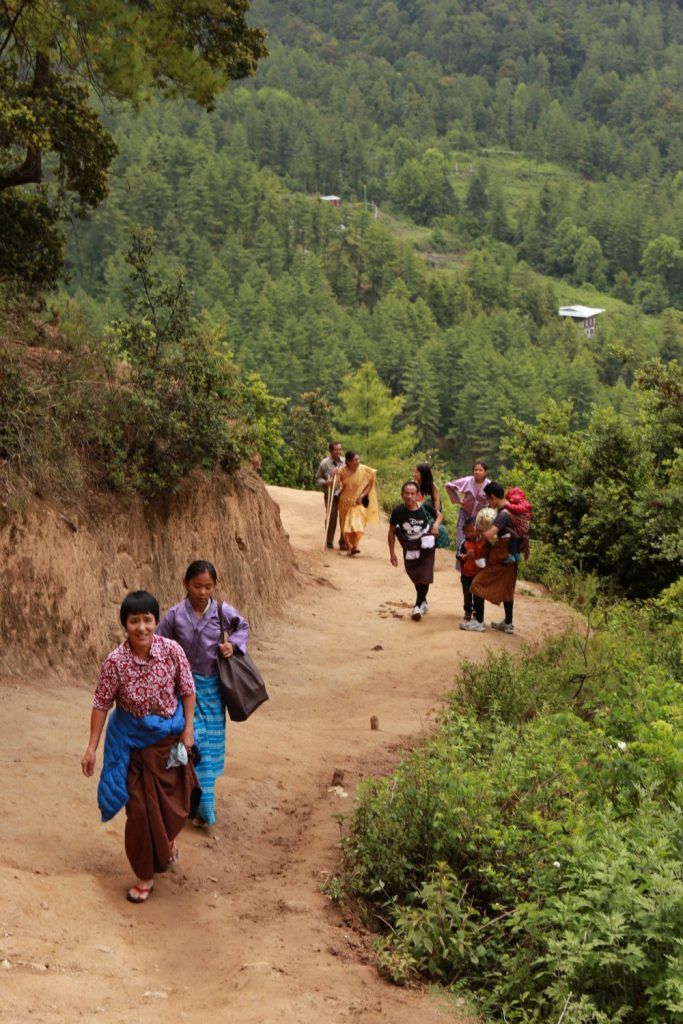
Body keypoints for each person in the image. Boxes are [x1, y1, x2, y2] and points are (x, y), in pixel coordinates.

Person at [81, 590, 200, 904]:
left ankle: (167, 843)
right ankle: (145, 877)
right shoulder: (115, 662)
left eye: (147, 620)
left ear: (156, 621)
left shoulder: (172, 651)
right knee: (139, 813)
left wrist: (188, 728)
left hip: (168, 744)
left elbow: (188, 690)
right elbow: (101, 704)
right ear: (125, 625)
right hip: (131, 747)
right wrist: (92, 747)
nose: (142, 627)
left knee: (172, 808)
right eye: (134, 621)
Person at [157, 560, 249, 828]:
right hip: (183, 691)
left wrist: (232, 644)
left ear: (215, 586)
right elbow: (159, 644)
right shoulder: (174, 615)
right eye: (197, 586)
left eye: (208, 586)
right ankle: (196, 805)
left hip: (212, 692)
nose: (202, 592)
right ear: (185, 584)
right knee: (192, 743)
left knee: (208, 748)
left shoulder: (222, 612)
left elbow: (243, 627)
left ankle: (199, 805)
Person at [460, 482, 519, 634]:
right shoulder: (511, 509)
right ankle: (508, 622)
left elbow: (488, 535)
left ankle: (479, 622)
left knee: (477, 584)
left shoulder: (503, 515)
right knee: (507, 588)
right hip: (512, 555)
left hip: (501, 556)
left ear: (493, 497)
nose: (488, 503)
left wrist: (479, 529)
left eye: (488, 499)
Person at [389, 480, 443, 621]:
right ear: (402, 495)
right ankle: (423, 601)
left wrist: (436, 525)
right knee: (415, 577)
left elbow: (439, 515)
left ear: (418, 495)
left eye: (413, 493)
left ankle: (417, 606)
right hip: (409, 547)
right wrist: (392, 553)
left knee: (424, 576)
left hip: (426, 547)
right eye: (407, 493)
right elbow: (392, 532)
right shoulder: (398, 512)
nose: (410, 496)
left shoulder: (425, 508)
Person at [337, 450, 379, 556]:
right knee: (345, 525)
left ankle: (354, 546)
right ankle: (350, 547)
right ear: (348, 461)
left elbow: (370, 483)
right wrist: (333, 478)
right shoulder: (341, 471)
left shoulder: (364, 469)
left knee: (357, 525)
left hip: (358, 503)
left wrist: (362, 495)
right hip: (345, 502)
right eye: (355, 460)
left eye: (358, 459)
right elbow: (337, 485)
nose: (358, 461)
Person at [445, 460, 490, 554]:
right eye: (475, 470)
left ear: (485, 472)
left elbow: (494, 498)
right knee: (462, 537)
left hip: (480, 516)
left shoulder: (489, 484)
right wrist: (458, 500)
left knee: (479, 540)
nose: (477, 472)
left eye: (480, 470)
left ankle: (478, 563)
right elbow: (449, 485)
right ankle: (462, 561)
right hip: (465, 513)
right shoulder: (467, 481)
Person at [315, 440, 347, 550]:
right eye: (336, 449)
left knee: (344, 518)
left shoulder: (345, 462)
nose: (339, 451)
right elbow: (318, 478)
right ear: (331, 451)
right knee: (331, 517)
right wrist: (325, 482)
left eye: (340, 449)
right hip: (330, 494)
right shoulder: (324, 463)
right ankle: (329, 541)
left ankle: (343, 542)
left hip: (343, 494)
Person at [457, 516, 486, 621]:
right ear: (464, 533)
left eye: (472, 530)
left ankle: (477, 613)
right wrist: (466, 556)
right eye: (467, 532)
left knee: (478, 594)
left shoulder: (482, 541)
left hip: (479, 573)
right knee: (467, 594)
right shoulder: (464, 543)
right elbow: (458, 555)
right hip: (466, 574)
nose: (470, 533)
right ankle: (468, 610)